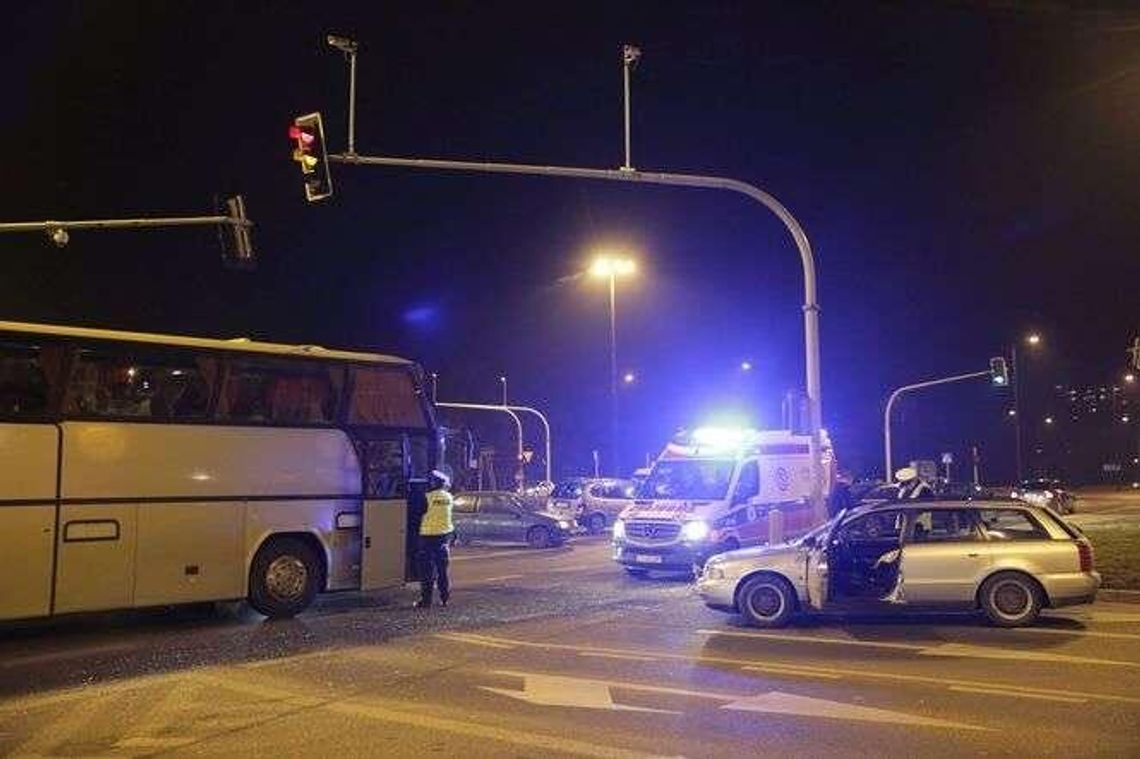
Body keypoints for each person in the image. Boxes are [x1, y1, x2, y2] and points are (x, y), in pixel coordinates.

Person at [415, 469, 455, 608]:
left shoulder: (427, 497)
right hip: (444, 537)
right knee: (442, 570)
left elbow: (417, 513)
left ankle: (426, 601)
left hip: (427, 537)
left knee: (427, 570)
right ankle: (444, 598)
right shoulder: (449, 497)